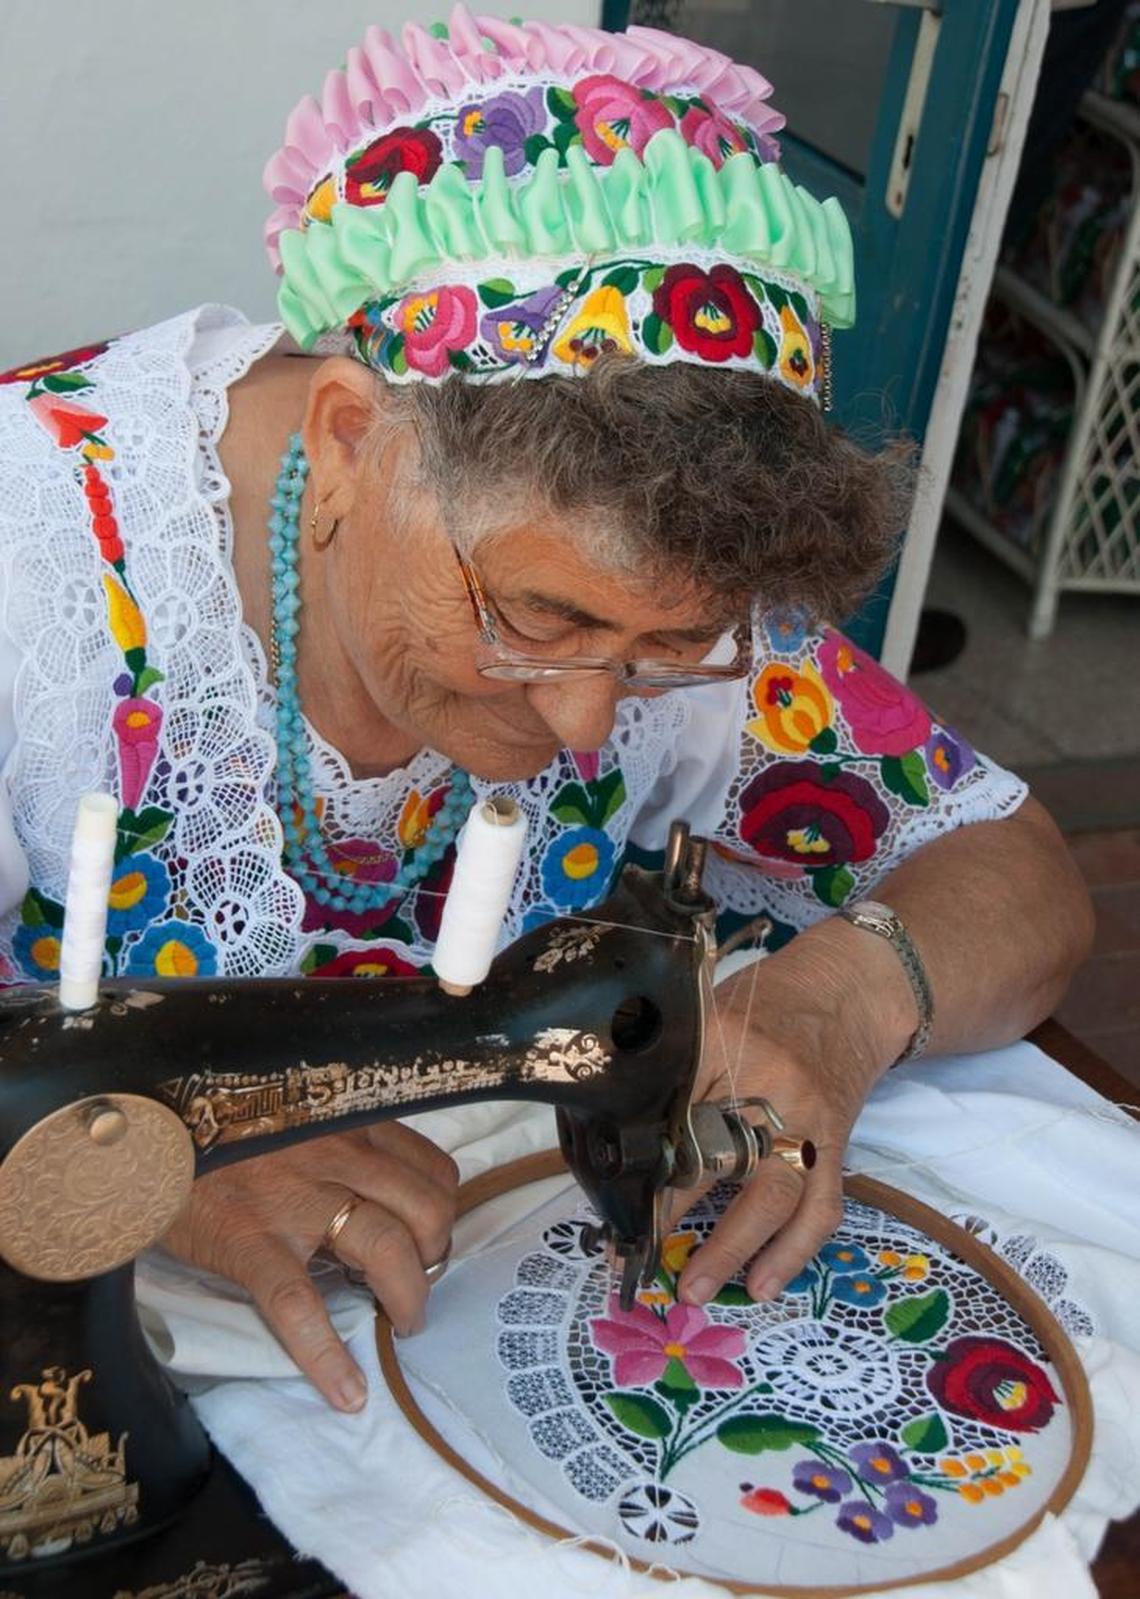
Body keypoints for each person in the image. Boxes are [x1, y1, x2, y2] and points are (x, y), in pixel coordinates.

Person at [0, 6, 1092, 1420]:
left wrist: (845, 996)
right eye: (539, 620)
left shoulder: (660, 590)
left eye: (667, 651)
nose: (589, 722)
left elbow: (1016, 872)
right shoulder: (39, 565)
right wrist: (140, 1158)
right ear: (347, 440)